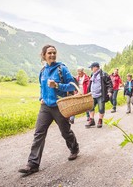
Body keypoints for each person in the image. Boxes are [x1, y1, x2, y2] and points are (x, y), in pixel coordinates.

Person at [18, 45, 79, 176]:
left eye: (54, 53)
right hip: (45, 107)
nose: (52, 55)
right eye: (49, 53)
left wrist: (57, 85)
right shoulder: (42, 71)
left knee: (65, 131)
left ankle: (74, 148)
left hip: (59, 105)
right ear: (44, 55)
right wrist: (41, 97)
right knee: (39, 133)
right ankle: (33, 164)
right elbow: (42, 86)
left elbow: (72, 85)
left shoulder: (62, 69)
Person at [86, 62, 113, 128]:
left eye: (92, 68)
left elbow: (109, 84)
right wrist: (89, 91)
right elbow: (91, 84)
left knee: (101, 108)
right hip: (93, 94)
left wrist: (109, 91)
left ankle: (100, 120)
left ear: (95, 67)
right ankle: (92, 120)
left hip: (100, 95)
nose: (91, 69)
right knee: (91, 107)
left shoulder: (104, 74)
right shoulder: (93, 74)